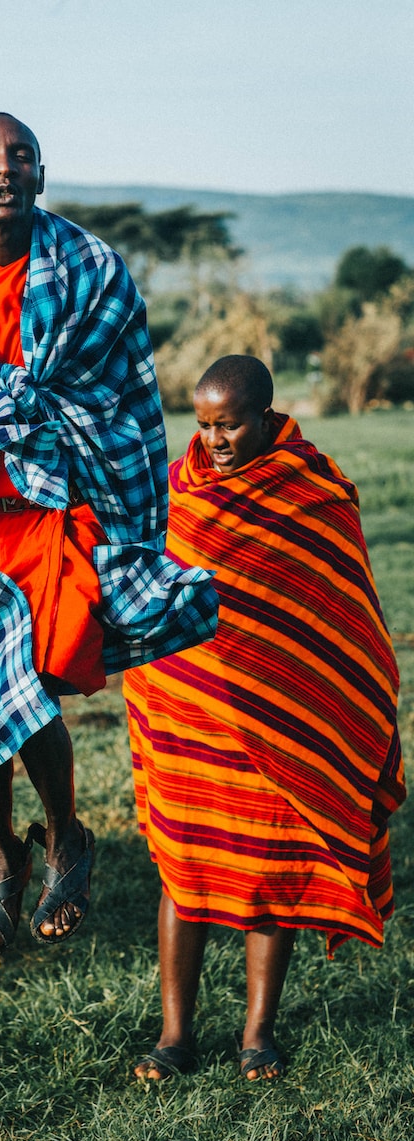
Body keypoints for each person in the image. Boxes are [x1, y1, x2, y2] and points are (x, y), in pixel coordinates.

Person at [0, 113, 218, 959]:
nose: (4, 169)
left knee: (25, 682)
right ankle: (3, 853)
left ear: (40, 175)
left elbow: (121, 400)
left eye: (19, 157)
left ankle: (65, 832)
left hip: (50, 515)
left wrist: (34, 416)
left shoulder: (92, 272)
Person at [123, 354, 406, 1081]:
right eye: (205, 424)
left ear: (267, 415)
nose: (215, 439)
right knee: (183, 873)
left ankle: (257, 1033)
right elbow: (152, 595)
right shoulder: (177, 490)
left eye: (231, 424)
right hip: (190, 714)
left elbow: (338, 613)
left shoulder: (310, 491)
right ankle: (175, 1035)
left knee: (268, 871)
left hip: (279, 727)